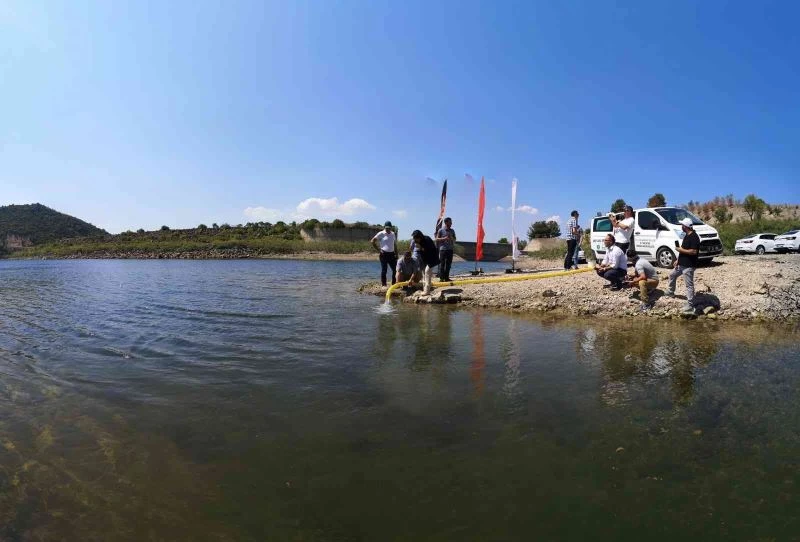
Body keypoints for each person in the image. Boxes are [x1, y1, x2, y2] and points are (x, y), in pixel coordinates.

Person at [666, 217, 700, 313]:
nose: (681, 226)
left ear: (685, 226)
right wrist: (677, 260)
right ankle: (670, 292)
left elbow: (693, 251)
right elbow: (684, 249)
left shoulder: (694, 237)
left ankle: (690, 304)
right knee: (672, 275)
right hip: (681, 264)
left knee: (689, 285)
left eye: (682, 225)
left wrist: (680, 250)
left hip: (689, 265)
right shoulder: (686, 235)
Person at [411, 229, 440, 294]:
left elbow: (430, 251)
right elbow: (422, 254)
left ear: (420, 237)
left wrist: (421, 248)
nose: (415, 240)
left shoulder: (427, 239)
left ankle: (427, 291)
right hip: (425, 259)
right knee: (424, 273)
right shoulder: (419, 242)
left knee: (427, 272)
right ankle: (425, 289)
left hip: (433, 258)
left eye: (416, 238)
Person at [371, 221, 397, 287]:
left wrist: (396, 253)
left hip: (392, 254)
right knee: (384, 270)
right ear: (384, 227)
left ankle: (394, 284)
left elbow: (394, 244)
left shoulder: (393, 233)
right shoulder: (381, 233)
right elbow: (372, 241)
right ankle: (384, 285)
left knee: (395, 269)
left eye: (389, 228)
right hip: (384, 254)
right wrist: (379, 250)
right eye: (386, 228)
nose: (388, 229)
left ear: (391, 227)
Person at [435, 217, 456, 281]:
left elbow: (455, 239)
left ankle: (446, 278)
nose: (451, 223)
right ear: (446, 222)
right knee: (442, 264)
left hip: (450, 249)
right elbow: (436, 239)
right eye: (450, 222)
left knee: (448, 264)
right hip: (443, 249)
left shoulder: (452, 230)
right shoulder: (440, 230)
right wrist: (444, 238)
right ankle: (441, 278)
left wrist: (452, 238)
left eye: (451, 222)